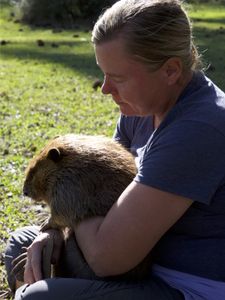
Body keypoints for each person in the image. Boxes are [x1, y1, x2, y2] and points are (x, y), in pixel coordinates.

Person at [4, 0, 225, 299]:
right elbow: (102, 190)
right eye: (104, 73)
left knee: (39, 295)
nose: (105, 88)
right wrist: (51, 230)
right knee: (24, 245)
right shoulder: (141, 108)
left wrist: (67, 213)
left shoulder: (199, 128)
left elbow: (107, 259)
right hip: (138, 261)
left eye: (118, 77)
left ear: (171, 70)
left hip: (185, 284)